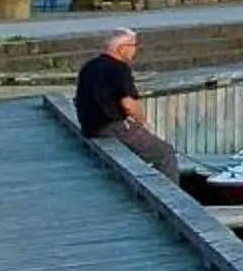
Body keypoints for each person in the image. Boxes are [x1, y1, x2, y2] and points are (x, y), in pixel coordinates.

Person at [74, 29, 179, 179]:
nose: (135, 50)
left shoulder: (90, 66)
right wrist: (142, 122)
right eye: (134, 45)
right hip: (112, 127)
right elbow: (129, 104)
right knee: (165, 153)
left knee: (141, 148)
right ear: (121, 48)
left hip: (90, 127)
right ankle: (172, 196)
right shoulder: (119, 68)